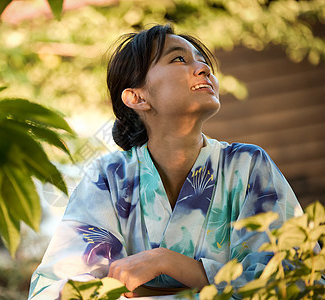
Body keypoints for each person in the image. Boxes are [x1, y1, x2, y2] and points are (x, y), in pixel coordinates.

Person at [28, 24, 301, 299]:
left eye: (203, 61)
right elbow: (60, 286)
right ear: (137, 97)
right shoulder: (109, 178)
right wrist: (208, 283)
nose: (204, 69)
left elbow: (290, 279)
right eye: (179, 59)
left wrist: (166, 262)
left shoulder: (249, 165)